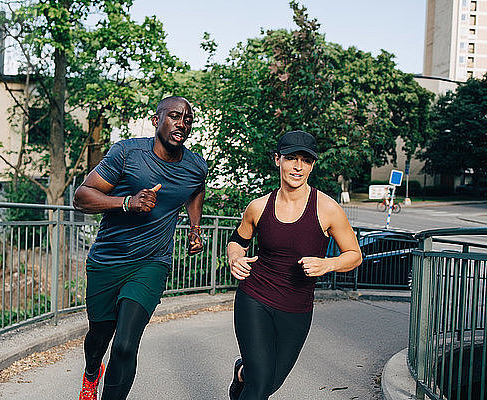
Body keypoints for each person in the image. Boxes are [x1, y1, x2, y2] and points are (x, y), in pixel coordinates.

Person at [73, 96, 207, 400]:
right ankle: (92, 372)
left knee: (125, 344)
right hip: (108, 260)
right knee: (99, 338)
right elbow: (82, 197)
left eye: (187, 118)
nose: (182, 123)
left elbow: (196, 190)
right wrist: (127, 202)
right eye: (174, 116)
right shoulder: (128, 153)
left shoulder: (196, 165)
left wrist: (195, 228)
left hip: (152, 263)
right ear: (155, 120)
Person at [226, 130, 362, 400]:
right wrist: (235, 258)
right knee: (261, 384)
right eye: (291, 158)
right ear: (278, 160)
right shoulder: (258, 207)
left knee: (271, 381)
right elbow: (236, 241)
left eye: (305, 160)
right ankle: (250, 375)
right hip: (255, 297)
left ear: (312, 165)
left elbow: (354, 254)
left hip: (296, 307)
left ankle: (242, 372)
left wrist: (328, 264)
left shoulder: (327, 208)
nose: (297, 166)